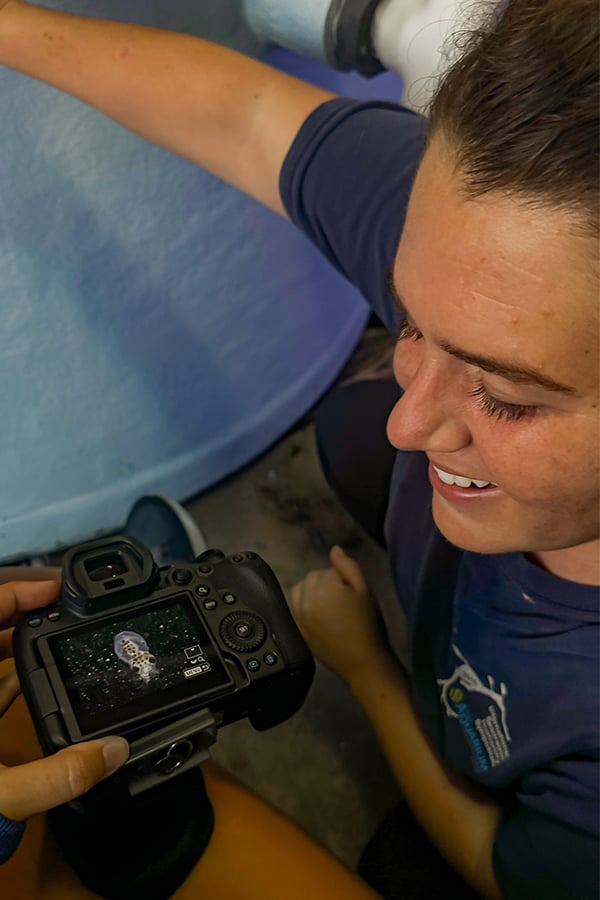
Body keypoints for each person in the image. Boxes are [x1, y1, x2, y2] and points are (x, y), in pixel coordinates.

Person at [0, 0, 597, 898]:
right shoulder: (502, 239)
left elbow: (498, 870)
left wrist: (369, 672)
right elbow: (241, 113)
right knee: (354, 437)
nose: (411, 418)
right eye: (404, 320)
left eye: (505, 397)